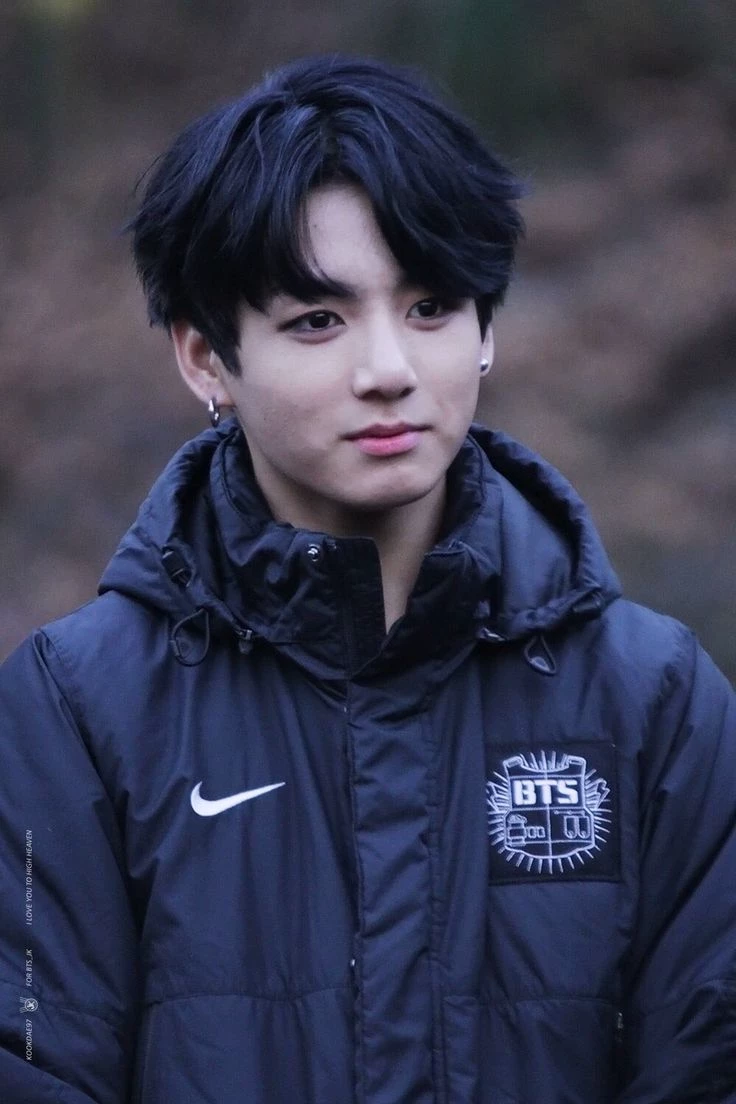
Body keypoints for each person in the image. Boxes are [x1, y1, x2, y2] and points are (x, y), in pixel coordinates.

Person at [0, 53, 734, 1104]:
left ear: (486, 329)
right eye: (317, 320)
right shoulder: (75, 710)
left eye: (432, 306)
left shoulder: (652, 698)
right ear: (205, 358)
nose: (389, 369)